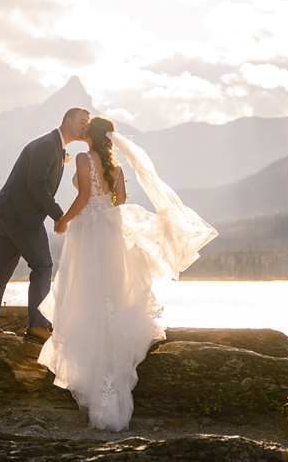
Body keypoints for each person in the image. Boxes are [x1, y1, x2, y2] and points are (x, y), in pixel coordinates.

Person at [37, 115, 218, 431]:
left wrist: (63, 220)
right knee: (112, 291)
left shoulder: (82, 158)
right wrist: (102, 203)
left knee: (84, 292)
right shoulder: (116, 169)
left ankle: (87, 373)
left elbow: (82, 197)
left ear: (90, 136)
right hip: (111, 230)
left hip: (87, 233)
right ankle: (108, 377)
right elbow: (119, 201)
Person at [0, 106, 91, 343]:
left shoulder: (55, 147)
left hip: (9, 211)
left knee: (3, 267)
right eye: (82, 121)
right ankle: (37, 326)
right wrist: (59, 216)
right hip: (21, 214)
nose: (85, 126)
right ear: (68, 120)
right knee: (42, 266)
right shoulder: (48, 145)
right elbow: (36, 185)